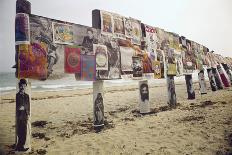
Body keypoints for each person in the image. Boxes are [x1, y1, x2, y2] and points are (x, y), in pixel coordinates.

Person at [16, 79, 30, 151]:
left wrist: (28, 113)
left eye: (24, 85)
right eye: (22, 85)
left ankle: (21, 146)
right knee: (20, 131)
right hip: (19, 116)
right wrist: (19, 108)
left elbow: (28, 105)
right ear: (19, 86)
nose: (23, 87)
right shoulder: (17, 96)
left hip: (25, 115)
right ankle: (19, 146)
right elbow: (16, 106)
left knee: (24, 131)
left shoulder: (27, 96)